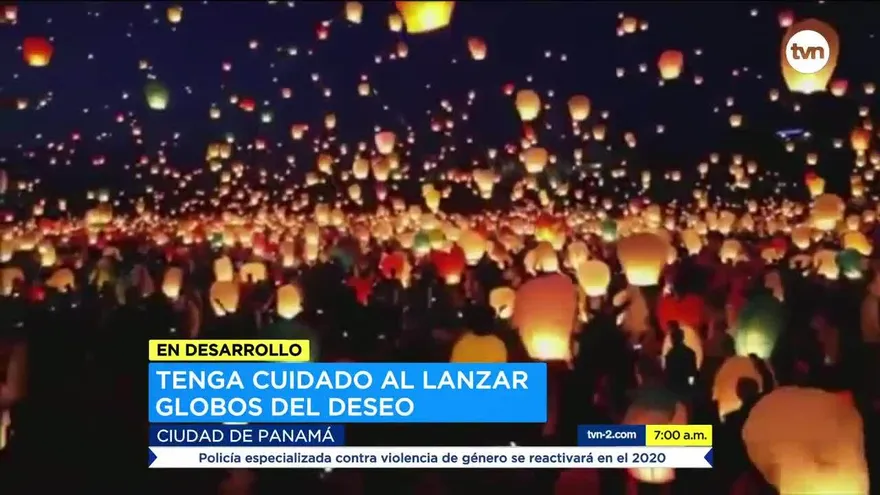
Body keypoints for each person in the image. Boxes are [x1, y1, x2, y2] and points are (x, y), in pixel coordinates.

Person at [664, 322, 697, 398]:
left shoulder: (670, 355)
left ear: (672, 339)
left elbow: (668, 373)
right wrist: (691, 385)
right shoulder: (690, 353)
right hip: (686, 388)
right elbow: (692, 372)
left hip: (674, 389)